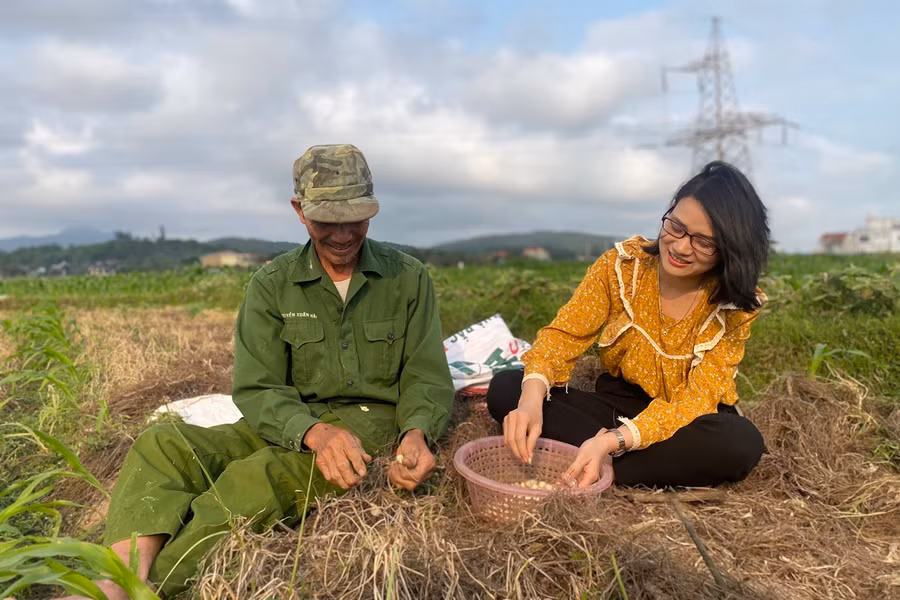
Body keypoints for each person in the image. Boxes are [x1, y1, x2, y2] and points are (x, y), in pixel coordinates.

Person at [59, 144, 454, 599]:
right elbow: (258, 386)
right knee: (163, 443)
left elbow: (426, 375)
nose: (344, 234)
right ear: (299, 212)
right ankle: (120, 575)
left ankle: (146, 590)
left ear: (372, 211)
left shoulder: (408, 277)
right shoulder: (272, 284)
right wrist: (314, 432)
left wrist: (417, 433)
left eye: (356, 218)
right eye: (328, 220)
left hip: (373, 425)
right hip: (296, 422)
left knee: (256, 479)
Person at [486, 161, 768, 490]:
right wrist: (530, 401)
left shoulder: (732, 307)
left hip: (686, 423)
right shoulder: (621, 267)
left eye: (703, 243)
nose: (679, 246)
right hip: (618, 406)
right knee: (508, 388)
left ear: (730, 251)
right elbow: (563, 336)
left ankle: (603, 463)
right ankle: (628, 466)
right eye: (675, 226)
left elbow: (694, 402)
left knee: (740, 442)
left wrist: (610, 443)